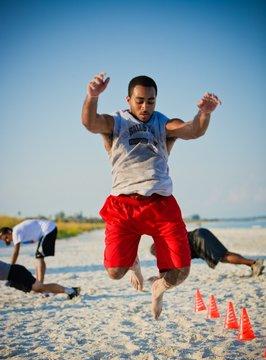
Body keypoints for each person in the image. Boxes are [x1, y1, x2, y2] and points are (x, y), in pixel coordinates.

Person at [81, 72, 221, 319]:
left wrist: (204, 114)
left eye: (151, 101)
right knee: (115, 272)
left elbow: (192, 130)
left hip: (161, 205)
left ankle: (158, 287)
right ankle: (133, 260)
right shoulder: (116, 123)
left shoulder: (163, 124)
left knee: (180, 272)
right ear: (128, 99)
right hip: (124, 205)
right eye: (139, 100)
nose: (145, 106)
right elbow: (90, 123)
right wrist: (92, 96)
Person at [150, 228, 264, 277]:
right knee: (225, 254)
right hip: (200, 233)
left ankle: (254, 264)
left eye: (156, 254)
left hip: (198, 239)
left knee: (224, 257)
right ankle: (252, 264)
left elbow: (175, 268)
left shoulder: (171, 250)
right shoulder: (170, 243)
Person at [0, 219, 58, 283]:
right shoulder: (17, 231)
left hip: (48, 229)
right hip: (49, 228)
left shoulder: (15, 232)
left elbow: (16, 252)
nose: (7, 240)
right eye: (5, 240)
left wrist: (10, 268)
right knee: (39, 257)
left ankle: (40, 283)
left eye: (6, 238)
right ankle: (38, 282)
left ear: (9, 231)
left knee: (39, 257)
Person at [0, 260, 80, 299]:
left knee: (39, 287)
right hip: (12, 277)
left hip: (17, 273)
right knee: (37, 289)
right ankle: (51, 293)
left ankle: (71, 291)